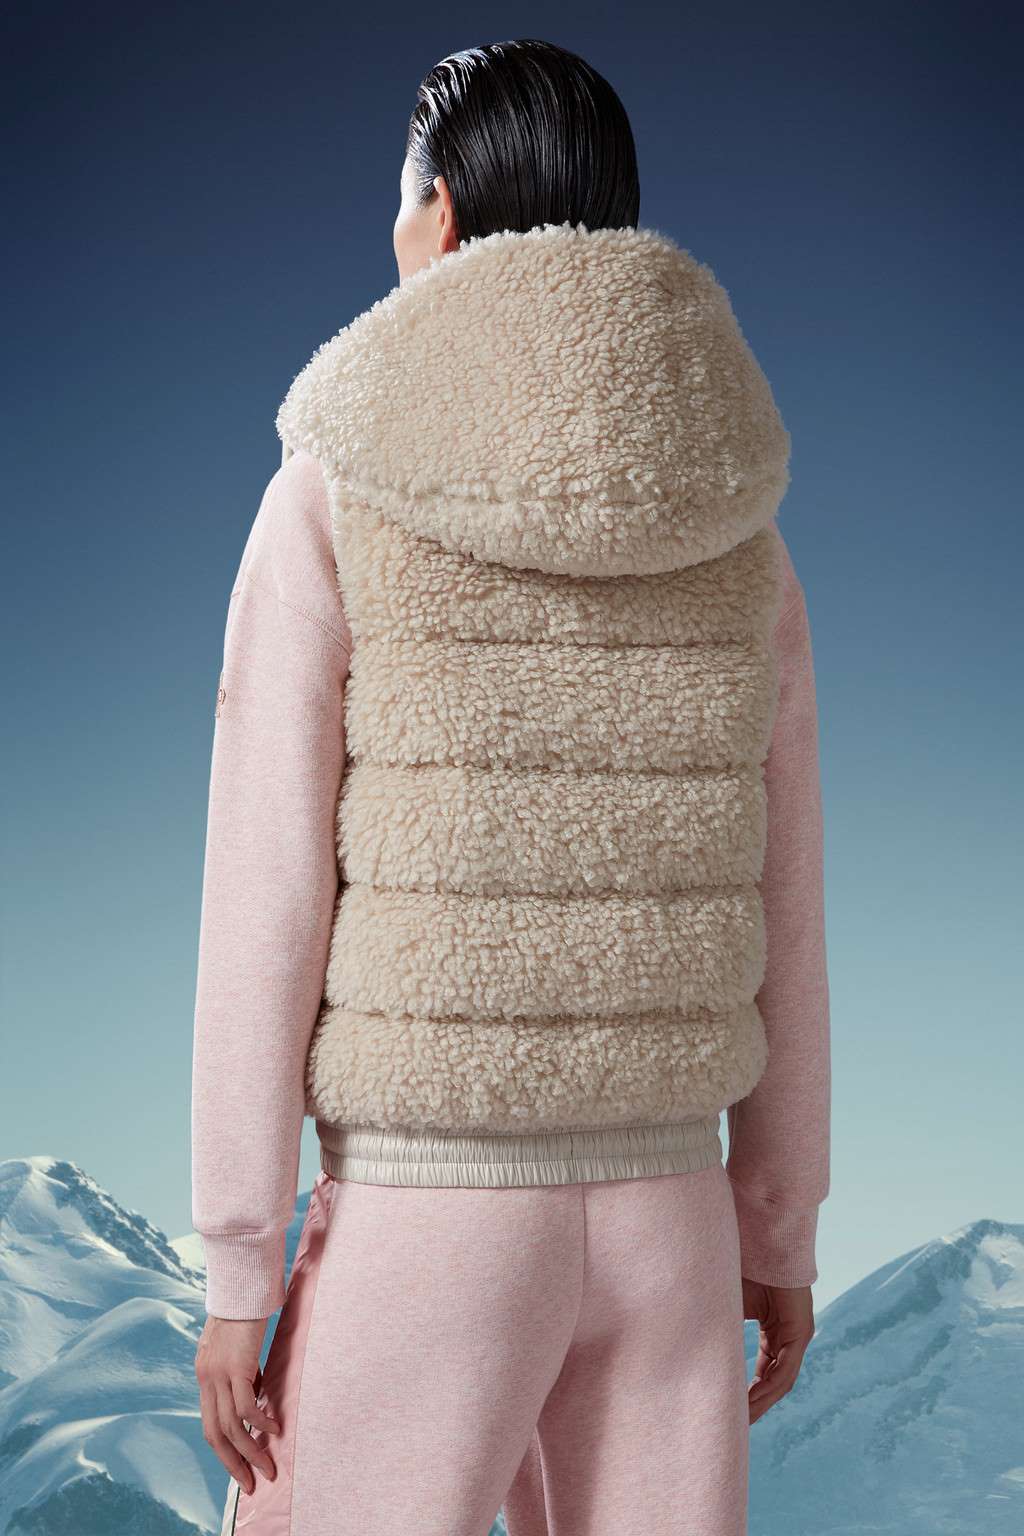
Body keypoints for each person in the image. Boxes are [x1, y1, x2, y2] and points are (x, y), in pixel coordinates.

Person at [190, 37, 830, 1536]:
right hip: (672, 1216)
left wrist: (237, 1263)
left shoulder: (338, 485)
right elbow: (786, 897)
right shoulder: (738, 523)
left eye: (401, 198)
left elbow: (267, 892)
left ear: (447, 211)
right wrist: (776, 1225)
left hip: (430, 1214)